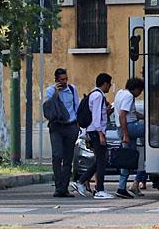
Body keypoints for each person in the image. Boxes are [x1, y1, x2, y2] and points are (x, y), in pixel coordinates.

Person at [74, 73, 115, 199]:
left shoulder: (95, 94)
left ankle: (81, 181)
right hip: (95, 131)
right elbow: (96, 117)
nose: (110, 87)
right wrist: (100, 134)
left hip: (94, 131)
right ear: (105, 84)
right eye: (109, 84)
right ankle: (99, 190)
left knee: (101, 159)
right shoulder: (97, 96)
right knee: (102, 159)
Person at [45, 68, 79, 198]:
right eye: (61, 80)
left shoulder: (72, 89)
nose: (64, 82)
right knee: (57, 155)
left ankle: (64, 188)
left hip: (70, 126)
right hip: (56, 127)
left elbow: (77, 106)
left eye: (66, 79)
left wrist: (77, 125)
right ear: (56, 80)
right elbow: (49, 107)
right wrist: (56, 93)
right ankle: (58, 186)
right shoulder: (50, 91)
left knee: (68, 158)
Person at [114, 77, 144, 198]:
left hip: (121, 128)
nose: (140, 93)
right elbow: (122, 115)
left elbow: (132, 113)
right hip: (129, 127)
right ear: (136, 89)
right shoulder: (129, 96)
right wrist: (126, 134)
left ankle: (121, 188)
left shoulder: (120, 93)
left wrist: (145, 116)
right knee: (154, 130)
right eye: (140, 90)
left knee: (127, 158)